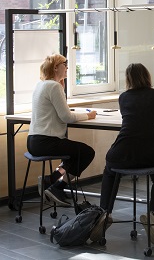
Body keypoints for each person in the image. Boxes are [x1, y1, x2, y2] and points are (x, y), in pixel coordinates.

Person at [93, 63, 154, 245]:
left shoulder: (124, 97)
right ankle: (153, 214)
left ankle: (104, 213)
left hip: (121, 154)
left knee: (111, 172)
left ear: (128, 79)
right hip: (151, 155)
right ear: (148, 76)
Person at [27, 54, 97, 207]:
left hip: (33, 141)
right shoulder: (54, 86)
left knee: (72, 151)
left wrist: (62, 91)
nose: (67, 68)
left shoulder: (41, 85)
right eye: (65, 64)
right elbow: (67, 117)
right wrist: (89, 115)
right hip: (47, 142)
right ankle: (57, 187)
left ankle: (52, 179)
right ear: (56, 67)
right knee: (86, 152)